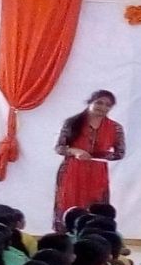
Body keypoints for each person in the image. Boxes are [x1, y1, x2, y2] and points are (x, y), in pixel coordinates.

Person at [53, 90, 125, 231]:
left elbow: (120, 153)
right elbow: (59, 148)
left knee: (96, 208)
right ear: (90, 102)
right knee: (69, 205)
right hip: (72, 171)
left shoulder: (116, 128)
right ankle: (65, 237)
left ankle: (93, 237)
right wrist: (75, 151)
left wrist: (98, 155)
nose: (103, 107)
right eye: (99, 102)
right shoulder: (72, 123)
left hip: (97, 174)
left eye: (108, 105)